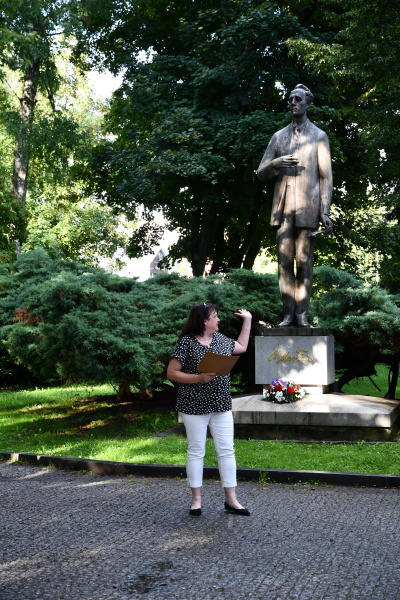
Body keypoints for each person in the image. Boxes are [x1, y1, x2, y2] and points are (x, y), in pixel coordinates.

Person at [257, 84, 333, 327]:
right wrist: (275, 163)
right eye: (290, 99)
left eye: (298, 99)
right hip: (283, 208)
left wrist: (324, 210)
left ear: (308, 103)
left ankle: (302, 314)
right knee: (284, 263)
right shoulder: (278, 137)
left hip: (308, 208)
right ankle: (288, 314)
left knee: (304, 261)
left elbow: (326, 177)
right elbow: (261, 173)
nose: (293, 103)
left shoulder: (319, 136)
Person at [167, 302, 252, 516]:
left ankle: (231, 500)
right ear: (205, 321)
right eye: (215, 316)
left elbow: (241, 347)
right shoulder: (186, 342)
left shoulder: (221, 340)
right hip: (194, 405)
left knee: (227, 450)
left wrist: (248, 321)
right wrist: (198, 378)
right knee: (196, 451)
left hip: (221, 404)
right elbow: (172, 373)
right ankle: (196, 500)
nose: (218, 319)